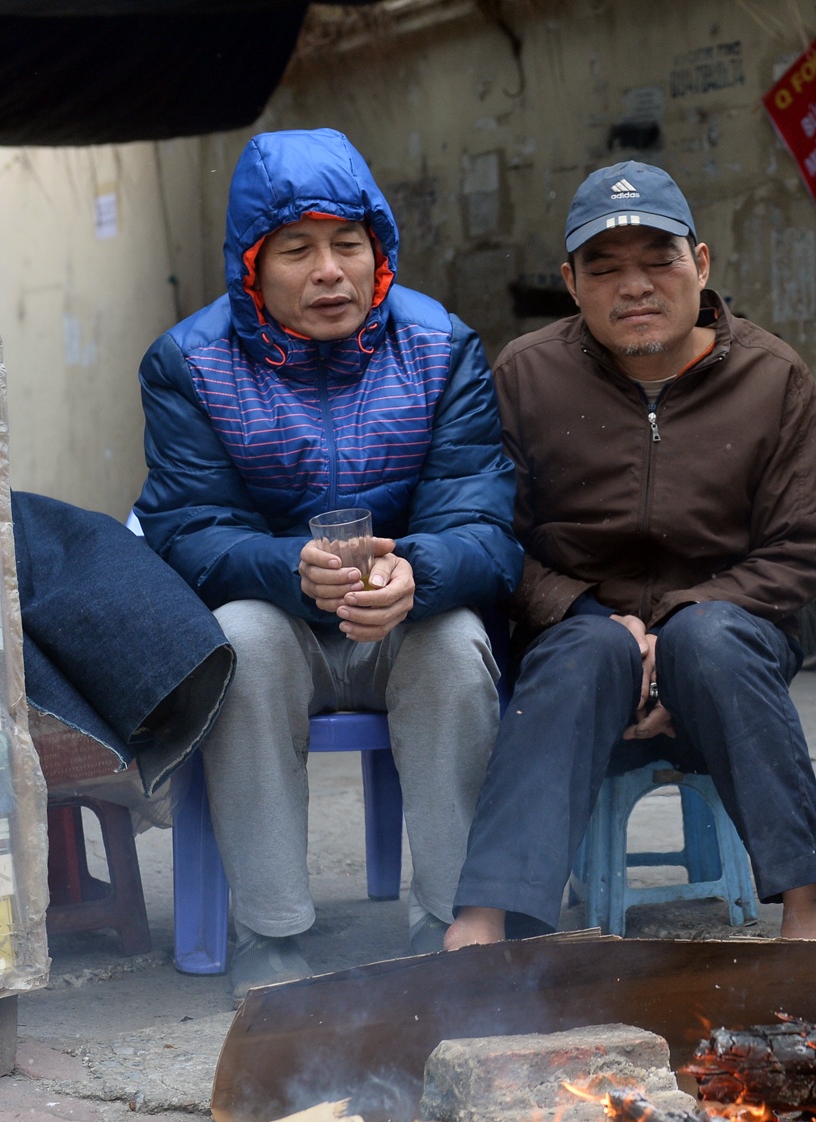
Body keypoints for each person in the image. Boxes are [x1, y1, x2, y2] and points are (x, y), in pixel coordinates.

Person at [136, 129, 518, 999]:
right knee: (238, 640)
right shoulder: (189, 363)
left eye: (349, 243)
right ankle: (271, 934)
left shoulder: (440, 346)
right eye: (297, 249)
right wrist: (288, 569)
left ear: (378, 252)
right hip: (282, 620)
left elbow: (485, 521)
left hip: (402, 619)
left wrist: (417, 569)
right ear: (251, 266)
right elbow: (186, 532)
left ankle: (450, 920)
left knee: (458, 644)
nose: (330, 272)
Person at [443, 161, 816, 948]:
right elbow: (492, 538)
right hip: (584, 647)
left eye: (658, 260)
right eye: (605, 268)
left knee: (712, 640)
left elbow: (803, 543)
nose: (635, 286)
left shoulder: (773, 377)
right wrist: (595, 617)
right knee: (582, 651)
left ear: (701, 264)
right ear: (570, 282)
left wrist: (680, 623)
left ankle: (807, 908)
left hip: (731, 649)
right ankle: (486, 923)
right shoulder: (528, 375)